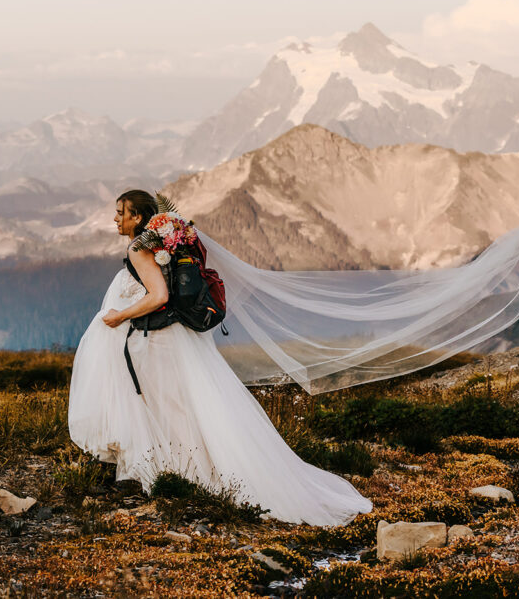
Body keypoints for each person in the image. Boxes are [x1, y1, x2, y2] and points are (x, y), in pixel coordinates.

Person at [67, 189, 372, 526]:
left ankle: (183, 471)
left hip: (155, 341)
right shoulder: (161, 246)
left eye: (119, 212)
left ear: (137, 218)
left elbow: (159, 295)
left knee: (168, 406)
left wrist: (120, 316)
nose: (115, 218)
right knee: (181, 404)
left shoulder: (139, 248)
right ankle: (185, 467)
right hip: (170, 337)